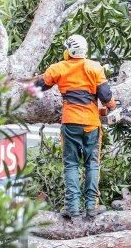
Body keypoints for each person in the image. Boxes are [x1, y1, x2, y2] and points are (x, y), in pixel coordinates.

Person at [34, 35, 116, 219]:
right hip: (91, 125)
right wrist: (112, 107)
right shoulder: (95, 67)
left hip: (70, 123)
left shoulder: (59, 68)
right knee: (92, 164)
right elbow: (105, 96)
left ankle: (72, 208)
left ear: (69, 51)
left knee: (71, 165)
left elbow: (40, 85)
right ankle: (91, 208)